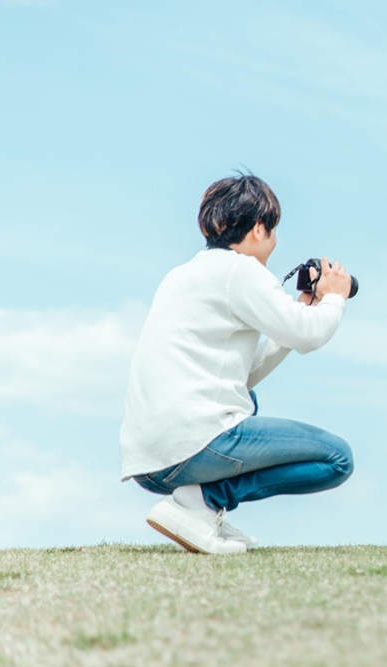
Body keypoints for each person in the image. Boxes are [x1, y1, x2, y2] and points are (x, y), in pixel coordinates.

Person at [119, 173, 355, 555]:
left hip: (150, 460)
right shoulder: (241, 271)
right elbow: (309, 335)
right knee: (337, 458)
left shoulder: (181, 275)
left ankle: (200, 509)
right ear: (259, 228)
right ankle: (206, 499)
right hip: (193, 446)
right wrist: (335, 297)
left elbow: (241, 377)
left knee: (247, 400)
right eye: (273, 230)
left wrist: (298, 314)